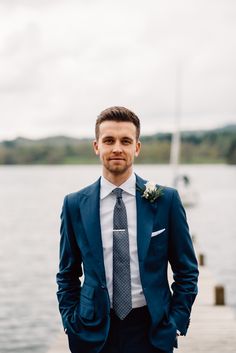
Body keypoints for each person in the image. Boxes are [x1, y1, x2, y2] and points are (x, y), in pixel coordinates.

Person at [56, 106, 199, 353]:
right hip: (91, 330)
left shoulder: (166, 201)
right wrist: (71, 321)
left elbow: (186, 270)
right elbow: (67, 274)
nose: (117, 148)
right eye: (109, 140)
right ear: (96, 146)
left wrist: (175, 322)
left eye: (126, 141)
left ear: (137, 147)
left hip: (151, 329)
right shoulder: (74, 205)